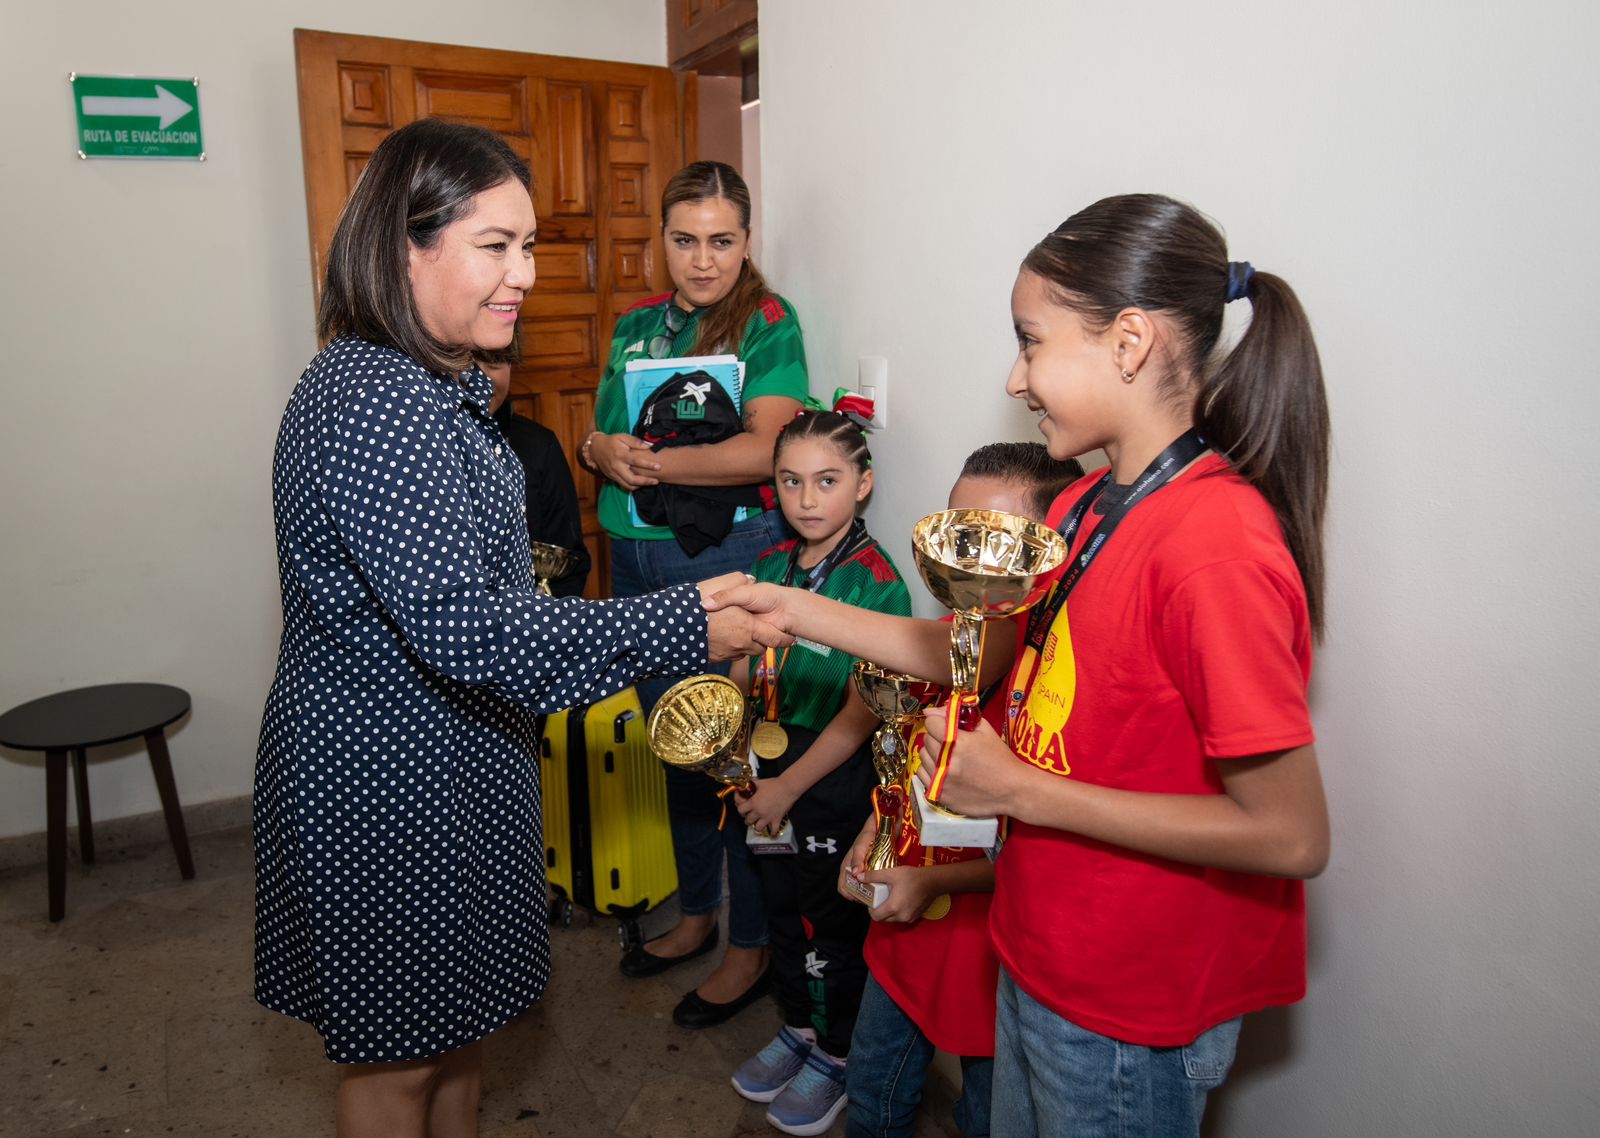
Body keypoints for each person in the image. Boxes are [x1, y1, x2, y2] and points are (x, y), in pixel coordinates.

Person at [706, 193, 1332, 1138]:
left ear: (1128, 342)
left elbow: (1289, 837)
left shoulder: (1215, 546)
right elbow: (965, 654)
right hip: (1041, 946)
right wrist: (795, 609)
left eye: (1032, 342)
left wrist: (1022, 791)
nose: (1017, 374)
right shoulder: (1083, 507)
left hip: (1128, 997)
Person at [253, 118, 786, 1138]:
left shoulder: (431, 385)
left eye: (529, 245)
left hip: (453, 755)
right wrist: (680, 621)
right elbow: (469, 632)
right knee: (396, 1062)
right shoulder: (373, 398)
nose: (525, 275)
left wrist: (679, 610)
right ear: (403, 244)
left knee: (456, 1037)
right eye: (495, 245)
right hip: (387, 778)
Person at [586, 161, 810, 1028]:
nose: (702, 259)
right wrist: (598, 453)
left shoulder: (764, 321)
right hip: (633, 558)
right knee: (673, 744)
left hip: (717, 555)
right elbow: (601, 431)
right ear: (664, 240)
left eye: (721, 240)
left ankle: (749, 947)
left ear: (746, 241)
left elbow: (767, 449)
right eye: (685, 239)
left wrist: (654, 461)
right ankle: (695, 914)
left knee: (734, 755)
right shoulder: (637, 324)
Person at [841, 442, 1082, 1138]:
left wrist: (935, 883)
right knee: (874, 1086)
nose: (965, 559)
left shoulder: (1047, 694)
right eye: (956, 530)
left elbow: (1036, 844)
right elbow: (904, 750)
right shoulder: (945, 638)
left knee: (989, 1111)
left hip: (986, 944)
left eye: (992, 541)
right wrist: (873, 835)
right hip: (904, 928)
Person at [726, 407, 912, 1136]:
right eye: (792, 481)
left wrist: (788, 786)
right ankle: (800, 1028)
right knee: (781, 907)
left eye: (827, 481)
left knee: (825, 922)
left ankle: (837, 1051)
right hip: (766, 771)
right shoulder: (771, 567)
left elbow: (862, 713)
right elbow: (744, 665)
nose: (807, 499)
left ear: (862, 485)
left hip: (826, 780)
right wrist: (738, 753)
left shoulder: (877, 583)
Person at [480, 356, 591, 598]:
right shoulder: (424, 448)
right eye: (466, 363)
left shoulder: (540, 445)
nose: (482, 378)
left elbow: (569, 557)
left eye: (494, 363)